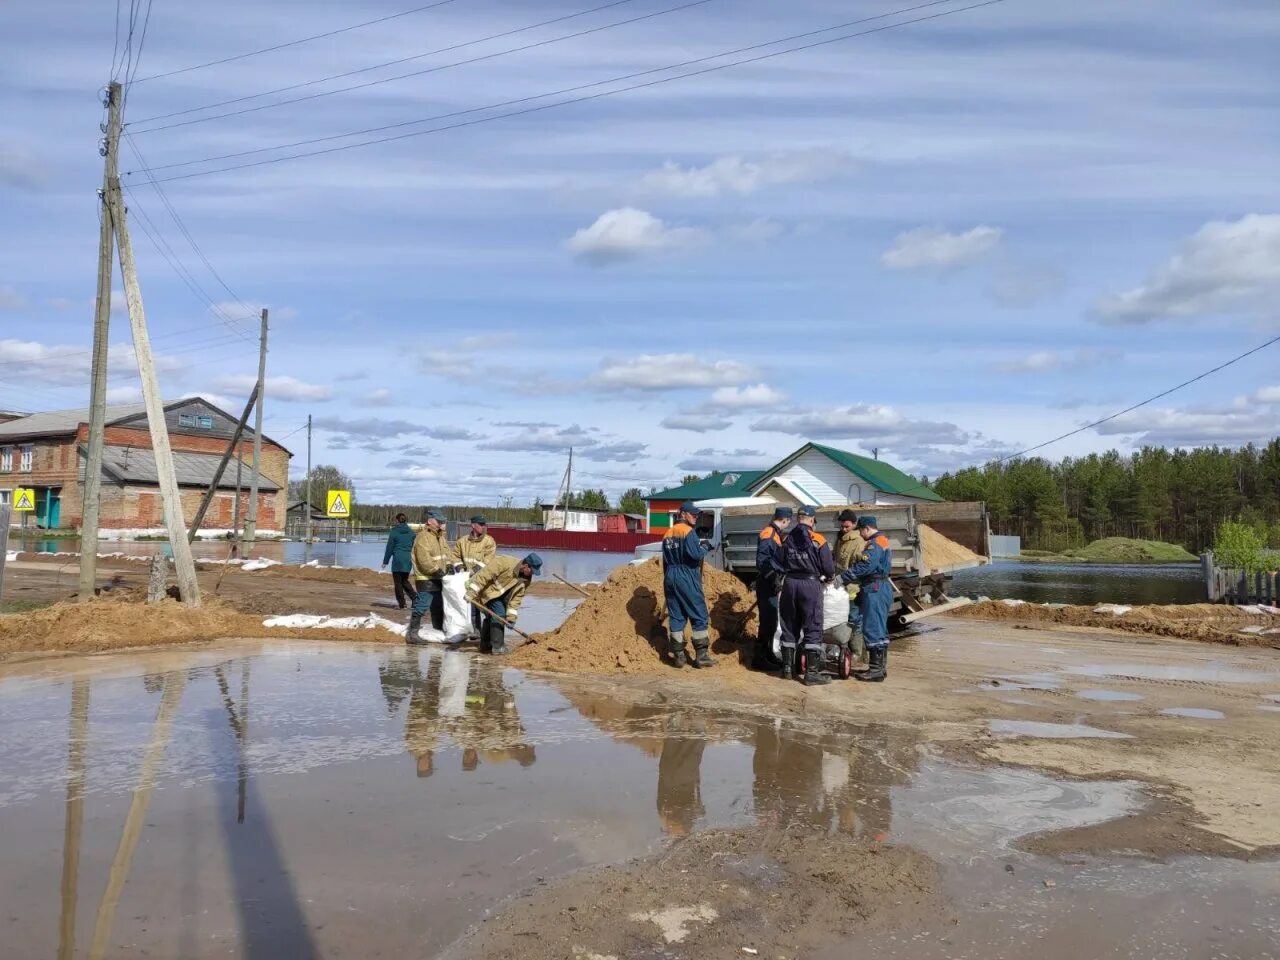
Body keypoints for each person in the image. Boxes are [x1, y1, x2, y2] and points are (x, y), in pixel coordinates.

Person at [779, 505, 835, 685]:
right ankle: (811, 673)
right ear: (811, 520)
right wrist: (830, 578)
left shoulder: (787, 538)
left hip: (789, 584)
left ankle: (787, 669)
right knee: (812, 625)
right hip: (810, 585)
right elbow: (828, 567)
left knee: (788, 625)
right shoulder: (818, 539)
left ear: (797, 519)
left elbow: (778, 561)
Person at [839, 516, 894, 682]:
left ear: (867, 528)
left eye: (861, 531)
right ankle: (880, 668)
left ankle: (876, 670)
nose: (861, 535)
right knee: (880, 628)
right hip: (881, 586)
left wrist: (844, 577)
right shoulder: (883, 540)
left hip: (874, 587)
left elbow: (866, 566)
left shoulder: (874, 544)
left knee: (872, 627)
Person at [661, 500, 713, 668]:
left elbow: (665, 561)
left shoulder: (667, 534)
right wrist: (706, 547)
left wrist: (668, 580)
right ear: (682, 514)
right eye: (693, 514)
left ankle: (678, 656)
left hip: (670, 576)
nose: (695, 517)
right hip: (686, 576)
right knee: (699, 613)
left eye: (697, 515)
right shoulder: (688, 532)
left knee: (676, 616)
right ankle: (702, 656)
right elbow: (695, 555)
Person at [467, 552, 541, 655]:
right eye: (532, 571)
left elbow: (516, 599)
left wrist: (511, 618)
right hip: (487, 592)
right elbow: (484, 575)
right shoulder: (504, 562)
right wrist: (471, 592)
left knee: (490, 617)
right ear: (526, 565)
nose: (532, 574)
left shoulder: (526, 580)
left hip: (502, 598)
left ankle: (485, 645)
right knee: (499, 615)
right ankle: (498, 648)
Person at [752, 506, 793, 670]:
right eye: (788, 522)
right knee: (767, 621)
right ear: (785, 520)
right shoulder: (769, 534)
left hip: (770, 581)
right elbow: (763, 561)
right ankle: (760, 658)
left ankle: (768, 653)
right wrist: (773, 577)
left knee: (771, 620)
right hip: (768, 582)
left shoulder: (774, 534)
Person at [406, 508, 451, 645]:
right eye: (439, 521)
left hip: (439, 578)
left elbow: (447, 554)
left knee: (438, 606)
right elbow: (424, 560)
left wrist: (449, 566)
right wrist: (437, 570)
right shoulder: (423, 537)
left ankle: (438, 631)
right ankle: (412, 634)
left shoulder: (440, 537)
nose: (441, 523)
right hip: (426, 578)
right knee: (423, 604)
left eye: (442, 521)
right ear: (430, 521)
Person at [833, 508, 867, 662]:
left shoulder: (859, 541)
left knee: (854, 619)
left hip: (853, 587)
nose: (844, 529)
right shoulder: (840, 539)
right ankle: (843, 651)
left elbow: (860, 567)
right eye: (842, 526)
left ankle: (857, 653)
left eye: (847, 526)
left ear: (854, 524)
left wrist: (844, 578)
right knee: (841, 619)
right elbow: (835, 559)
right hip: (839, 588)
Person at [454, 515, 497, 636]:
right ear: (473, 525)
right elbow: (455, 556)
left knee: (487, 606)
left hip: (484, 580)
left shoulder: (489, 541)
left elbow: (488, 560)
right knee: (472, 605)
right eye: (481, 525)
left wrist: (472, 572)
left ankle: (490, 632)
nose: (484, 527)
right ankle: (475, 630)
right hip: (468, 579)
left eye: (484, 525)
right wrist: (460, 567)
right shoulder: (462, 541)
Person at [381, 512, 418, 610]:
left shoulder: (394, 532)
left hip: (397, 559)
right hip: (408, 559)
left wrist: (385, 561)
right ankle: (415, 598)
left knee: (398, 582)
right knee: (404, 580)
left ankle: (402, 604)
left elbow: (389, 548)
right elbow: (415, 547)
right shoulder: (411, 532)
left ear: (397, 520)